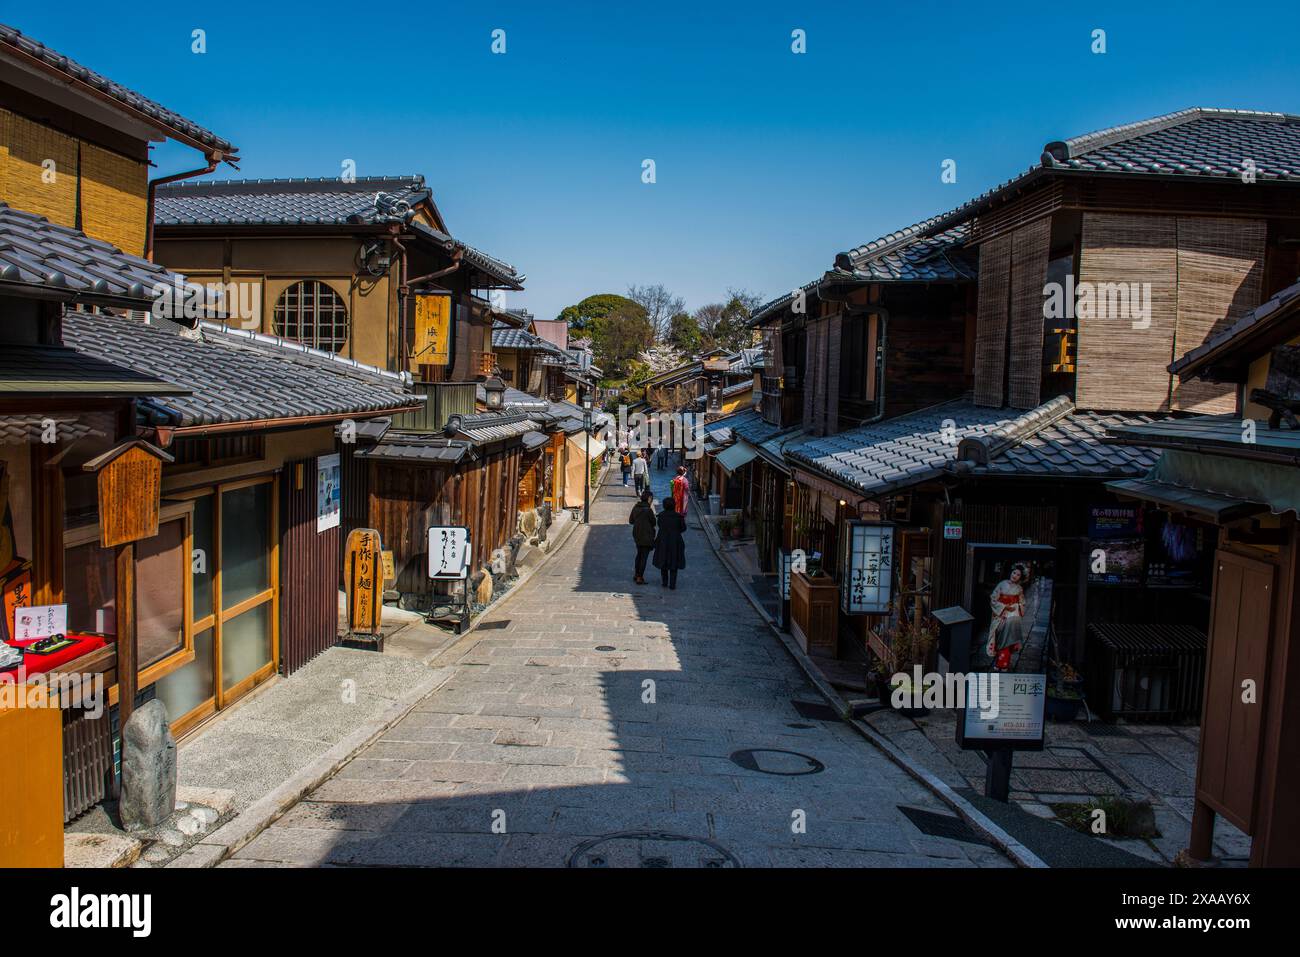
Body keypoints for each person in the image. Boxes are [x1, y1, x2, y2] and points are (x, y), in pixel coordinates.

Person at [652, 495, 687, 589]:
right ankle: (672, 584)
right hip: (675, 541)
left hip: (663, 539)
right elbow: (683, 528)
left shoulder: (661, 516)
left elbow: (659, 525)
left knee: (663, 560)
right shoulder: (679, 517)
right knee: (674, 562)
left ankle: (664, 582)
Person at [628, 489, 657, 584]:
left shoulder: (636, 507)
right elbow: (654, 522)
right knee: (644, 556)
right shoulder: (648, 510)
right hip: (646, 535)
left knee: (639, 555)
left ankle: (636, 574)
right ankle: (640, 577)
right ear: (649, 499)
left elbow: (631, 521)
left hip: (637, 534)